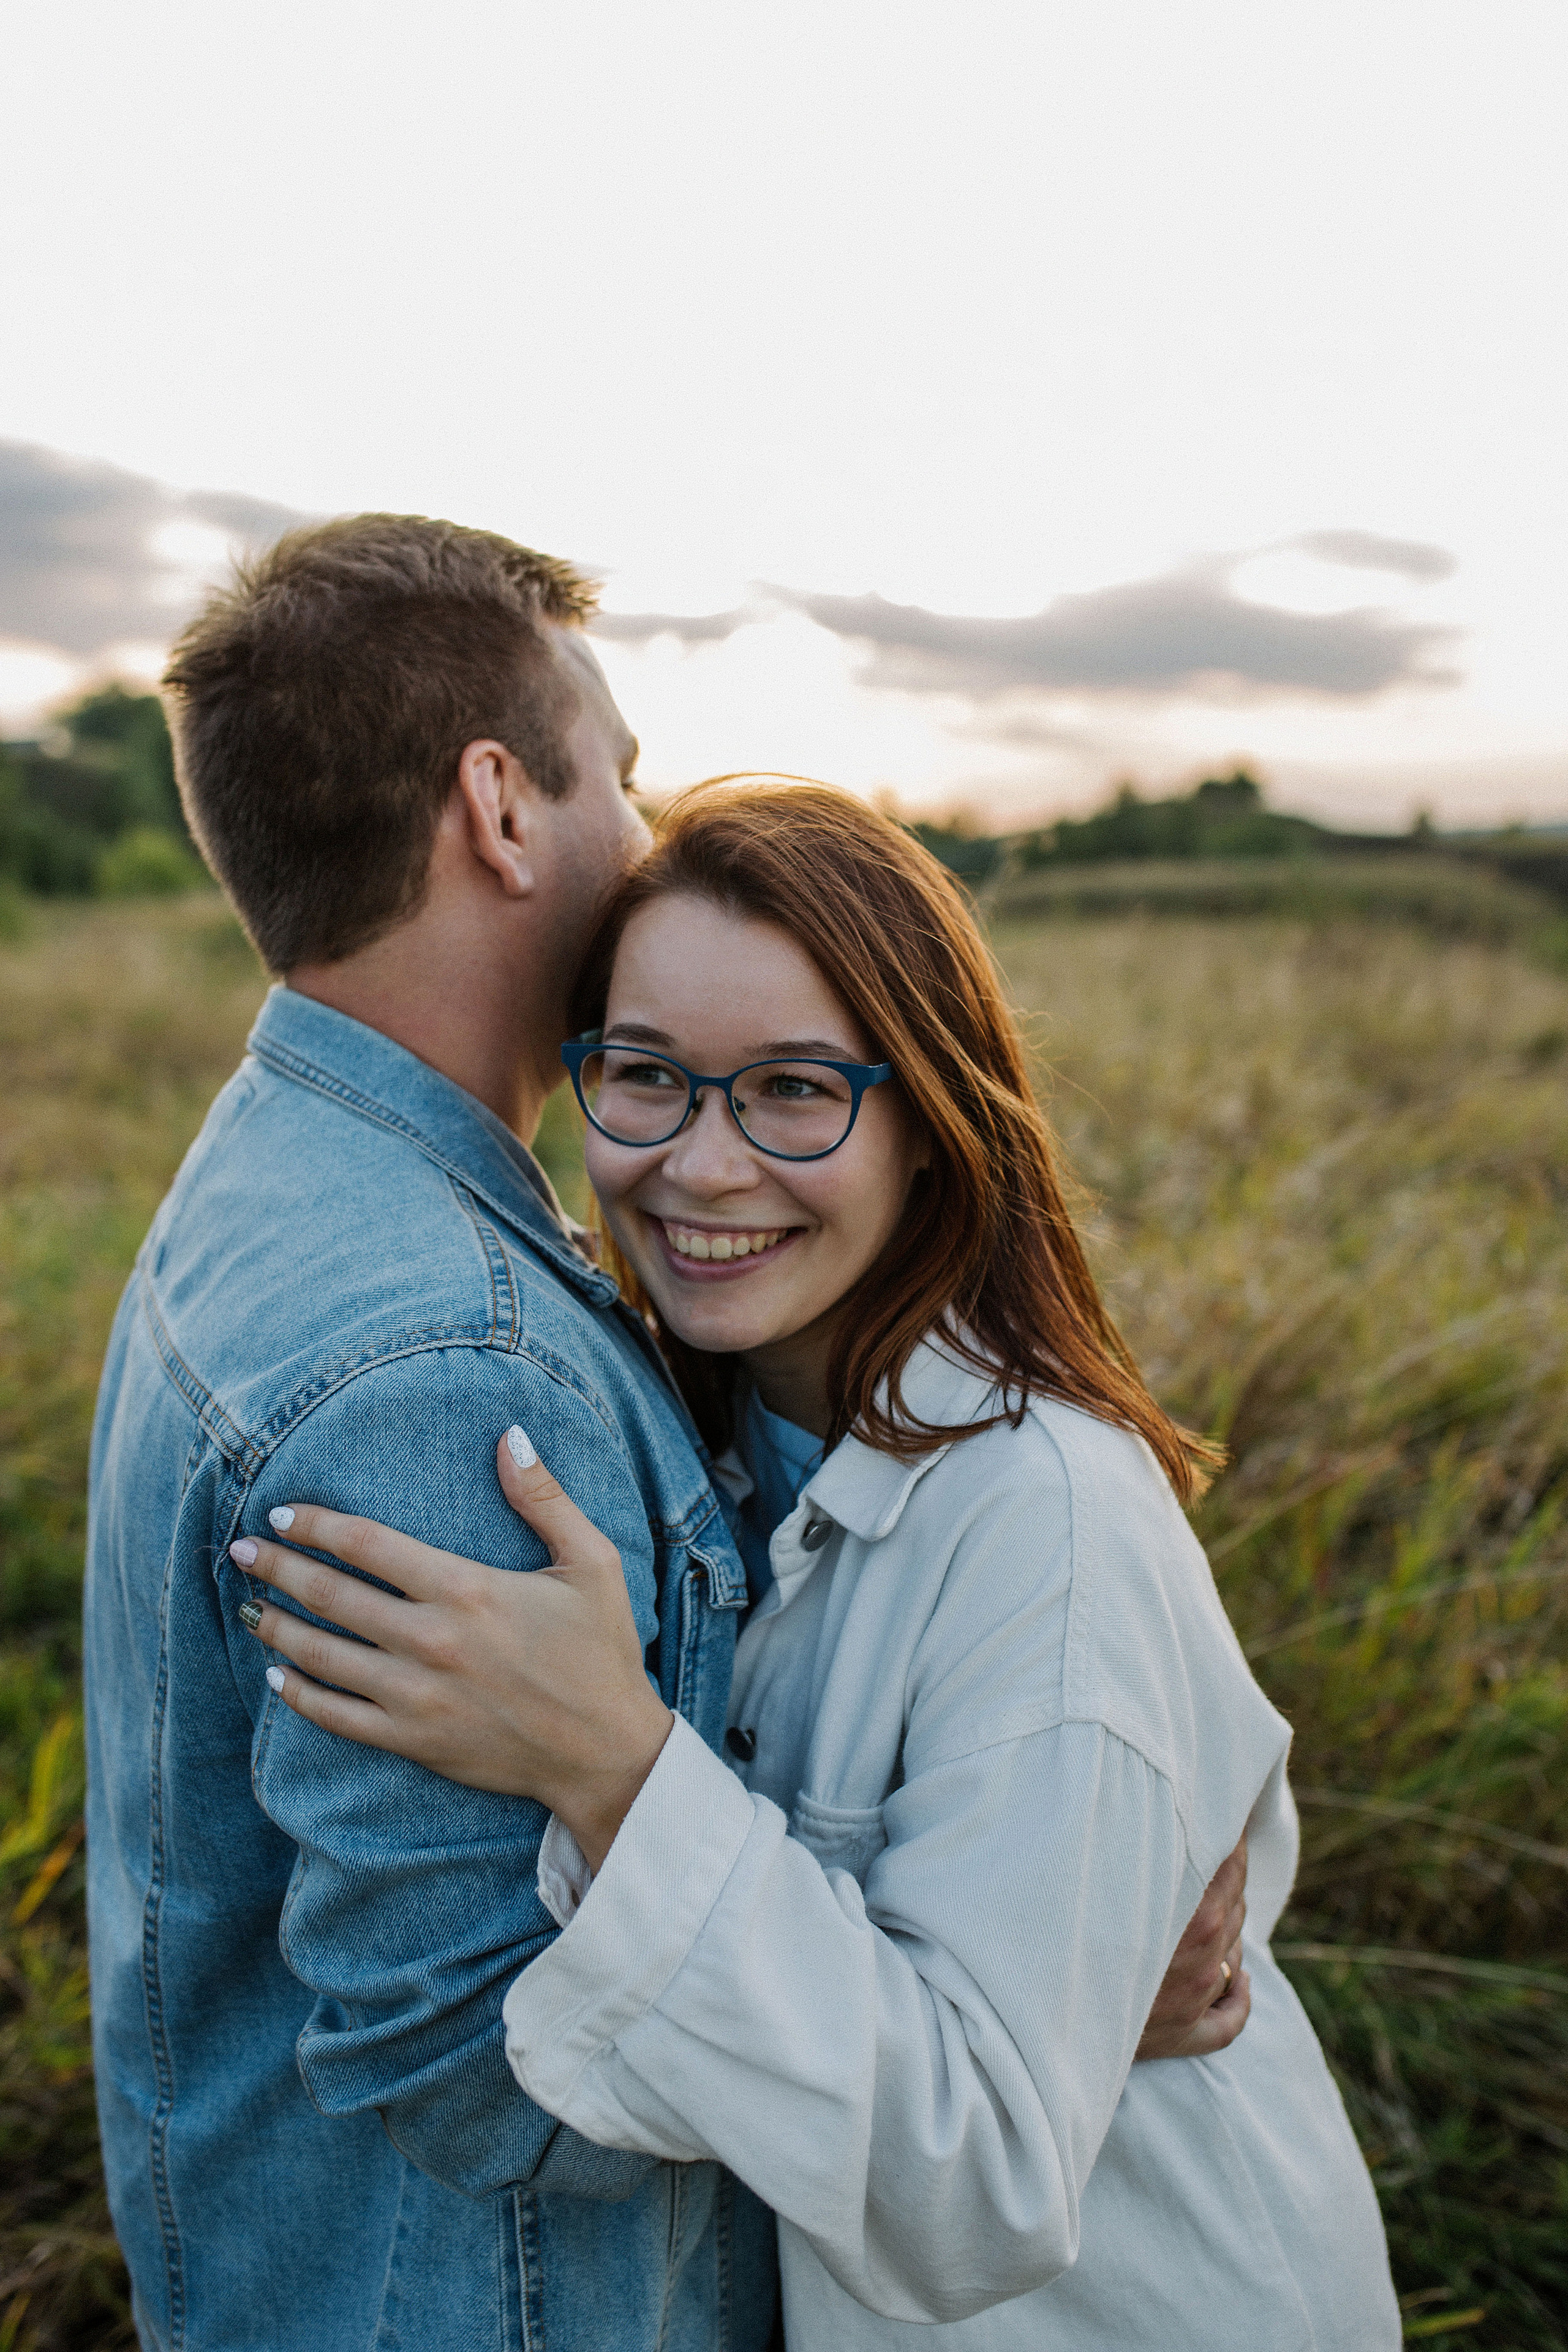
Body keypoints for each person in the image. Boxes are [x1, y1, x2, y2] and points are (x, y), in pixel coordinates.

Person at [85, 527, 1245, 2352]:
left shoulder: (281, 1175)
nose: (705, 1162)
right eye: (612, 771)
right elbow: (481, 2070)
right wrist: (1022, 1989)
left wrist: (1055, 1959)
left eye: (792, 1091)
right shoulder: (452, 1366)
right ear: (499, 805)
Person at [239, 780, 1401, 2350]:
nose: (703, 1168)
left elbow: (980, 2176)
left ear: (928, 1120)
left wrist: (607, 1760)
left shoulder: (1044, 1515)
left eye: (794, 1091)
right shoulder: (678, 1427)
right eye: (646, 1076)